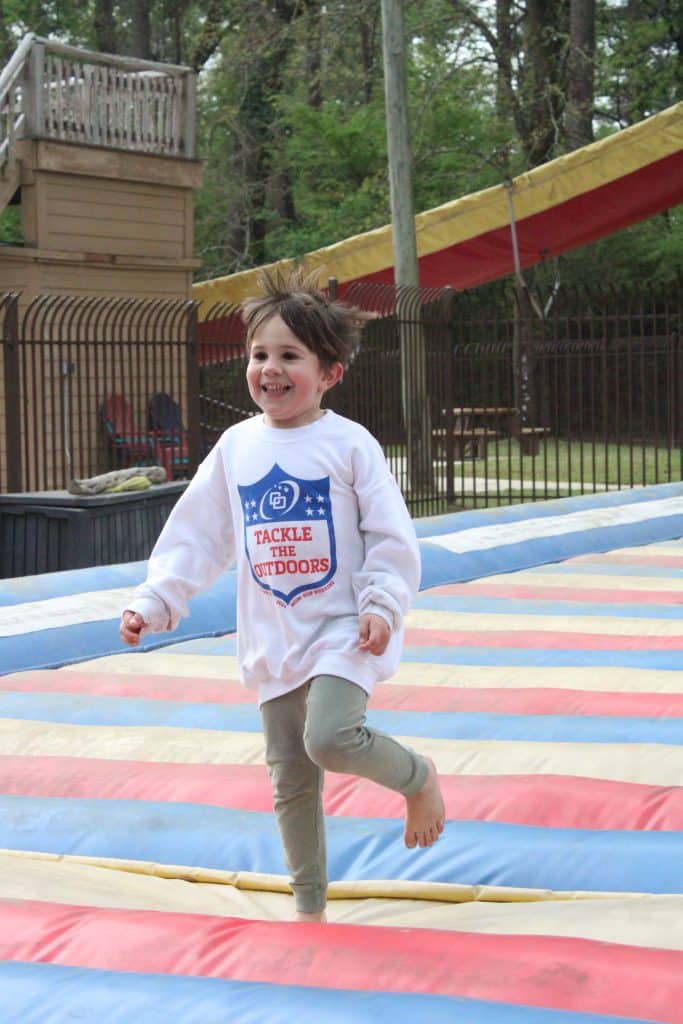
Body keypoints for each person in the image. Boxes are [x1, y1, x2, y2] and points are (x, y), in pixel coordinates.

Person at [119, 268, 446, 922]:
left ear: (330, 373)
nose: (270, 368)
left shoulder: (348, 445)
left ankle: (418, 778)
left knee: (328, 737)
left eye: (289, 356)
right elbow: (197, 535)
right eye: (258, 354)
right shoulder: (236, 446)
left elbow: (388, 536)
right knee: (290, 780)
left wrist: (381, 604)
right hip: (274, 636)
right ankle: (309, 909)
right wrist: (157, 600)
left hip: (344, 630)